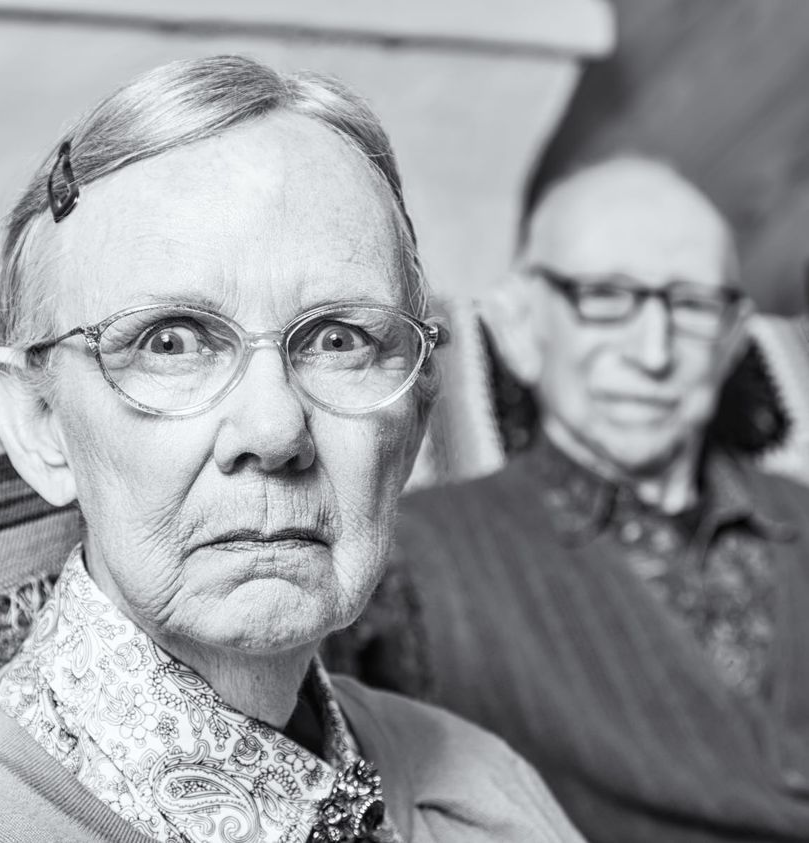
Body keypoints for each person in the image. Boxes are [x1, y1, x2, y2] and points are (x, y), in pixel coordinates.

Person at [0, 56, 584, 843]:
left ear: (414, 419)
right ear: (40, 423)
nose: (274, 430)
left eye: (338, 339)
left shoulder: (482, 784)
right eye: (171, 341)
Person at [335, 157, 809, 841]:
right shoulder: (401, 557)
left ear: (733, 337)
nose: (652, 353)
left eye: (692, 306)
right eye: (606, 297)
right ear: (521, 326)